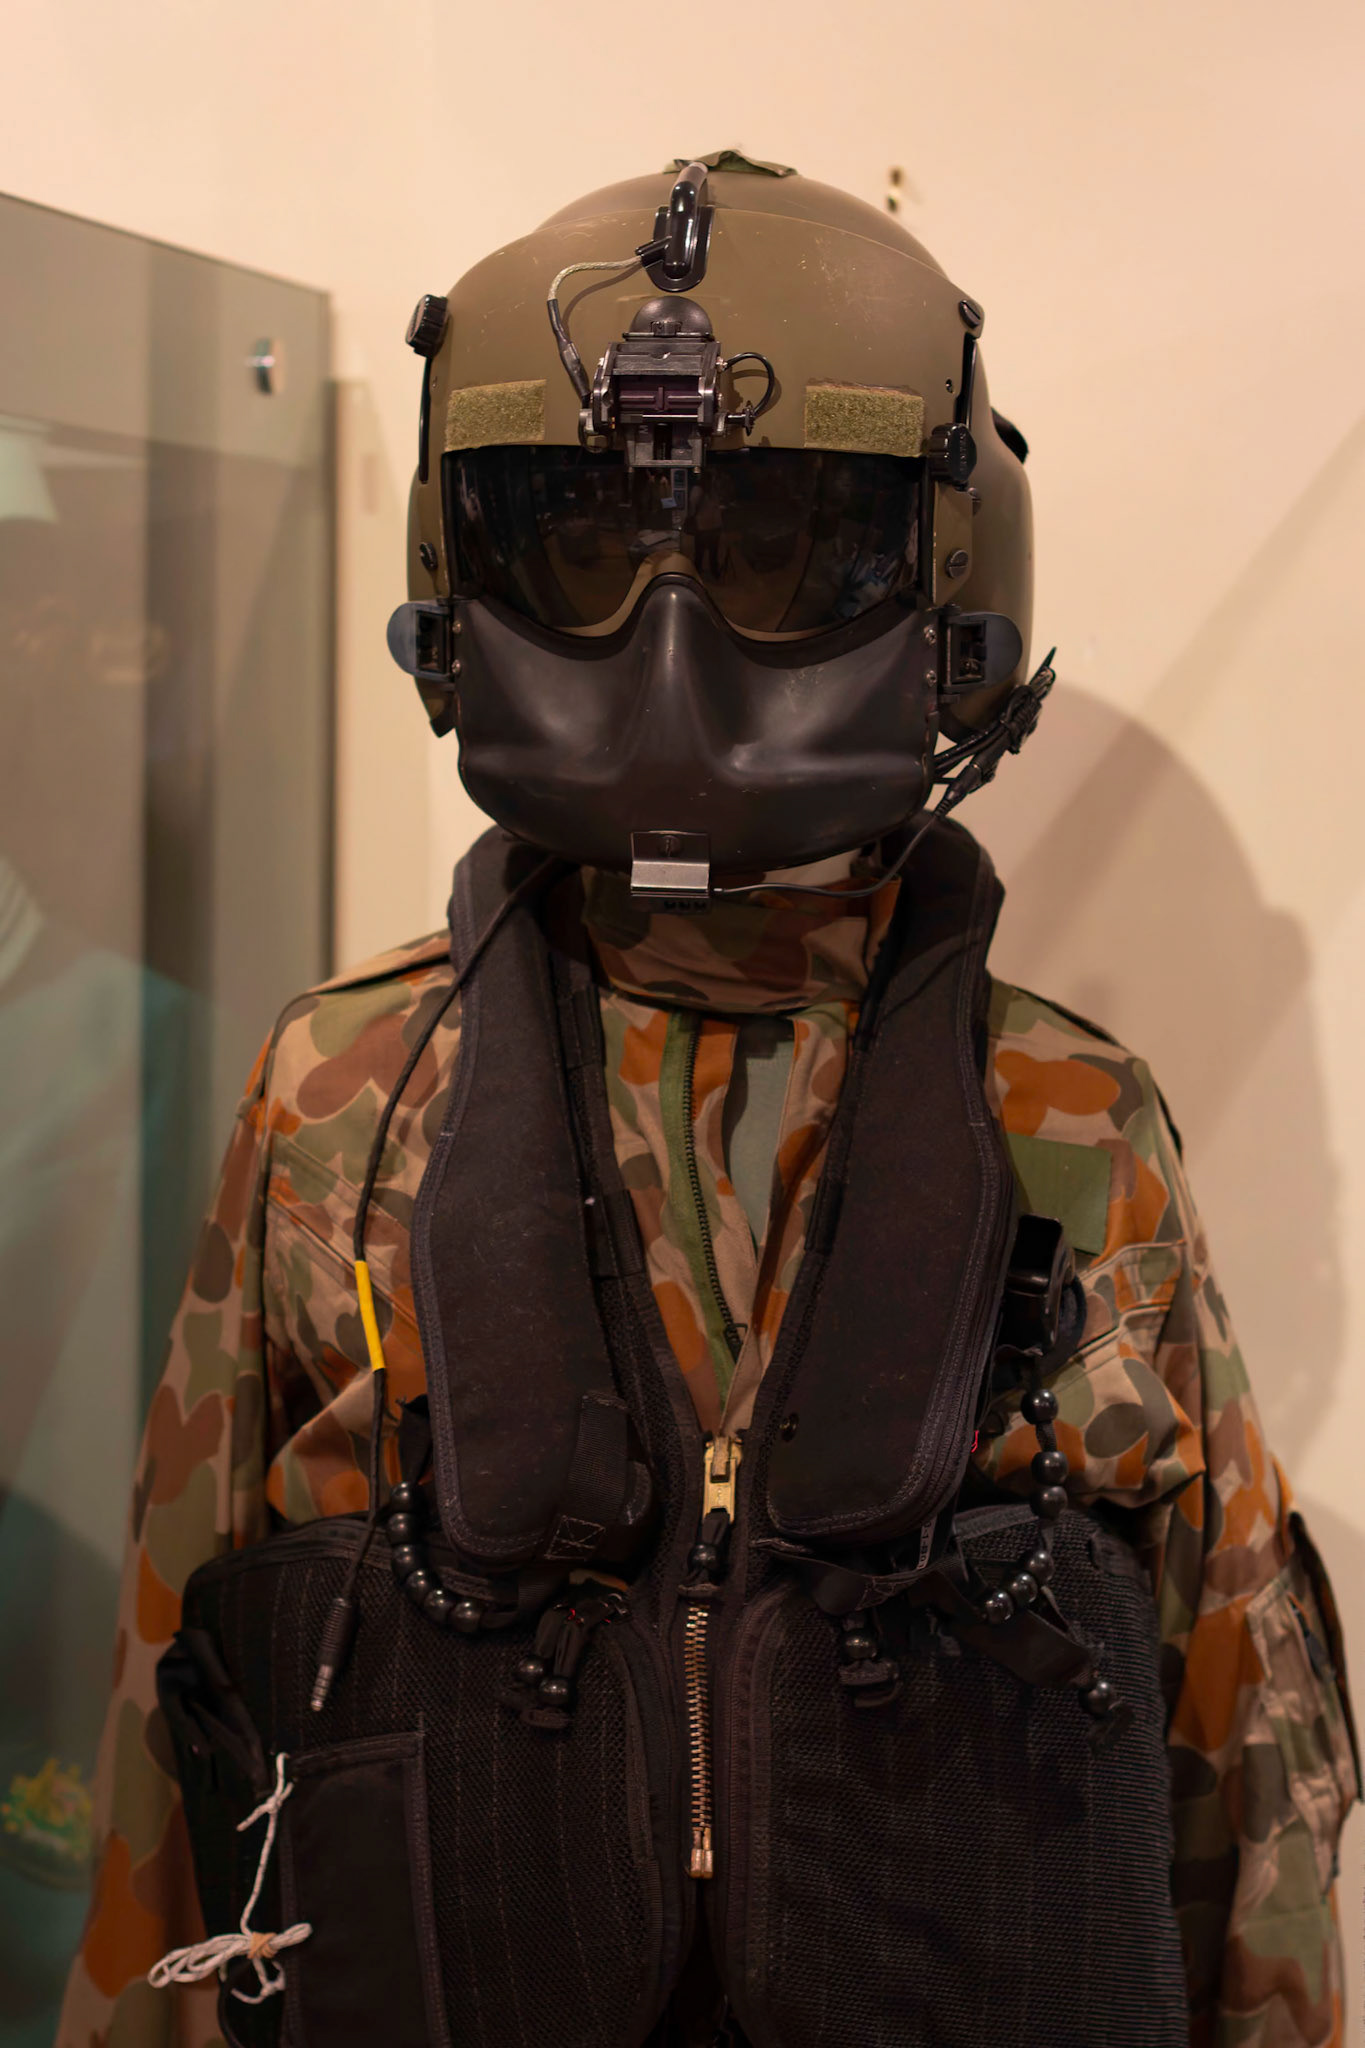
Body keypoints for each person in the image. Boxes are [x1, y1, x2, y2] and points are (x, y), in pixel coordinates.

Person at [58, 152, 1356, 2048]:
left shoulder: (1062, 1125)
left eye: (774, 544)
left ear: (944, 577)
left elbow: (1234, 1751)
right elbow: (181, 1714)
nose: (672, 631)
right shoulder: (344, 1103)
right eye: (580, 538)